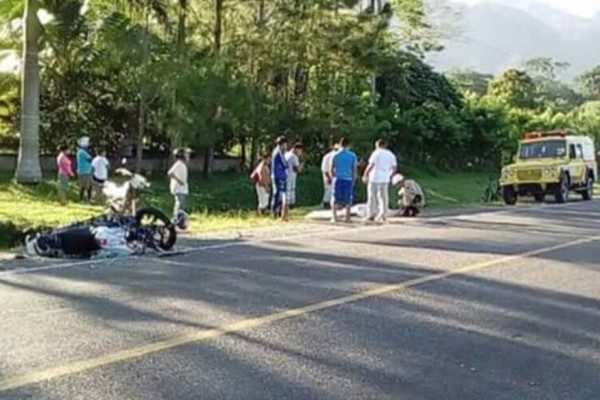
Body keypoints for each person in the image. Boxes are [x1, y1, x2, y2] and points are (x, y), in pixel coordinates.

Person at [362, 139, 397, 222]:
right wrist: (390, 175)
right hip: (385, 177)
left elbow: (371, 165)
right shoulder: (390, 154)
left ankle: (371, 213)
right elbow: (394, 167)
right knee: (384, 197)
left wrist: (365, 174)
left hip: (375, 177)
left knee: (372, 196)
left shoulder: (376, 153)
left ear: (377, 145)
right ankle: (383, 214)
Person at [330, 137, 357, 223]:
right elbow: (354, 169)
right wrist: (354, 179)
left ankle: (334, 217)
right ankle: (347, 217)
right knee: (348, 199)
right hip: (348, 179)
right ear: (348, 145)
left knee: (335, 198)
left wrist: (332, 177)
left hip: (337, 178)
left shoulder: (335, 155)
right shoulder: (352, 155)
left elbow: (331, 168)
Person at [168, 148, 190, 221]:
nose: (188, 157)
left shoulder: (182, 164)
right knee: (179, 205)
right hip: (179, 189)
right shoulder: (179, 164)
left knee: (181, 206)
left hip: (182, 189)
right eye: (186, 155)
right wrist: (179, 180)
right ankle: (175, 220)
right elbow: (170, 173)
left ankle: (180, 221)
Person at [271, 136, 289, 220]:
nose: (286, 146)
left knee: (280, 195)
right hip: (278, 176)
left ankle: (279, 212)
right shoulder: (278, 152)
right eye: (285, 144)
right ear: (282, 144)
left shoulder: (279, 152)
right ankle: (275, 212)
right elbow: (285, 164)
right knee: (277, 194)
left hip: (280, 176)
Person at [320, 144, 339, 209]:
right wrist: (328, 177)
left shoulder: (336, 156)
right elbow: (324, 168)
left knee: (332, 190)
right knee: (328, 190)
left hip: (334, 175)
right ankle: (326, 203)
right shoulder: (327, 156)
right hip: (328, 175)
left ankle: (331, 204)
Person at [285, 143, 304, 209]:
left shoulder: (286, 154)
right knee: (290, 192)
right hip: (291, 177)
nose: (300, 153)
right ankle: (290, 205)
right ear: (296, 149)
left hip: (284, 176)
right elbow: (298, 169)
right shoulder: (294, 156)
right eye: (300, 151)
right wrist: (302, 163)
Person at [76, 137, 93, 203]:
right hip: (84, 171)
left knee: (88, 185)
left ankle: (87, 199)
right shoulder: (82, 152)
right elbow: (90, 159)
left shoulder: (81, 152)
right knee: (84, 186)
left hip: (86, 171)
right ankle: (82, 199)